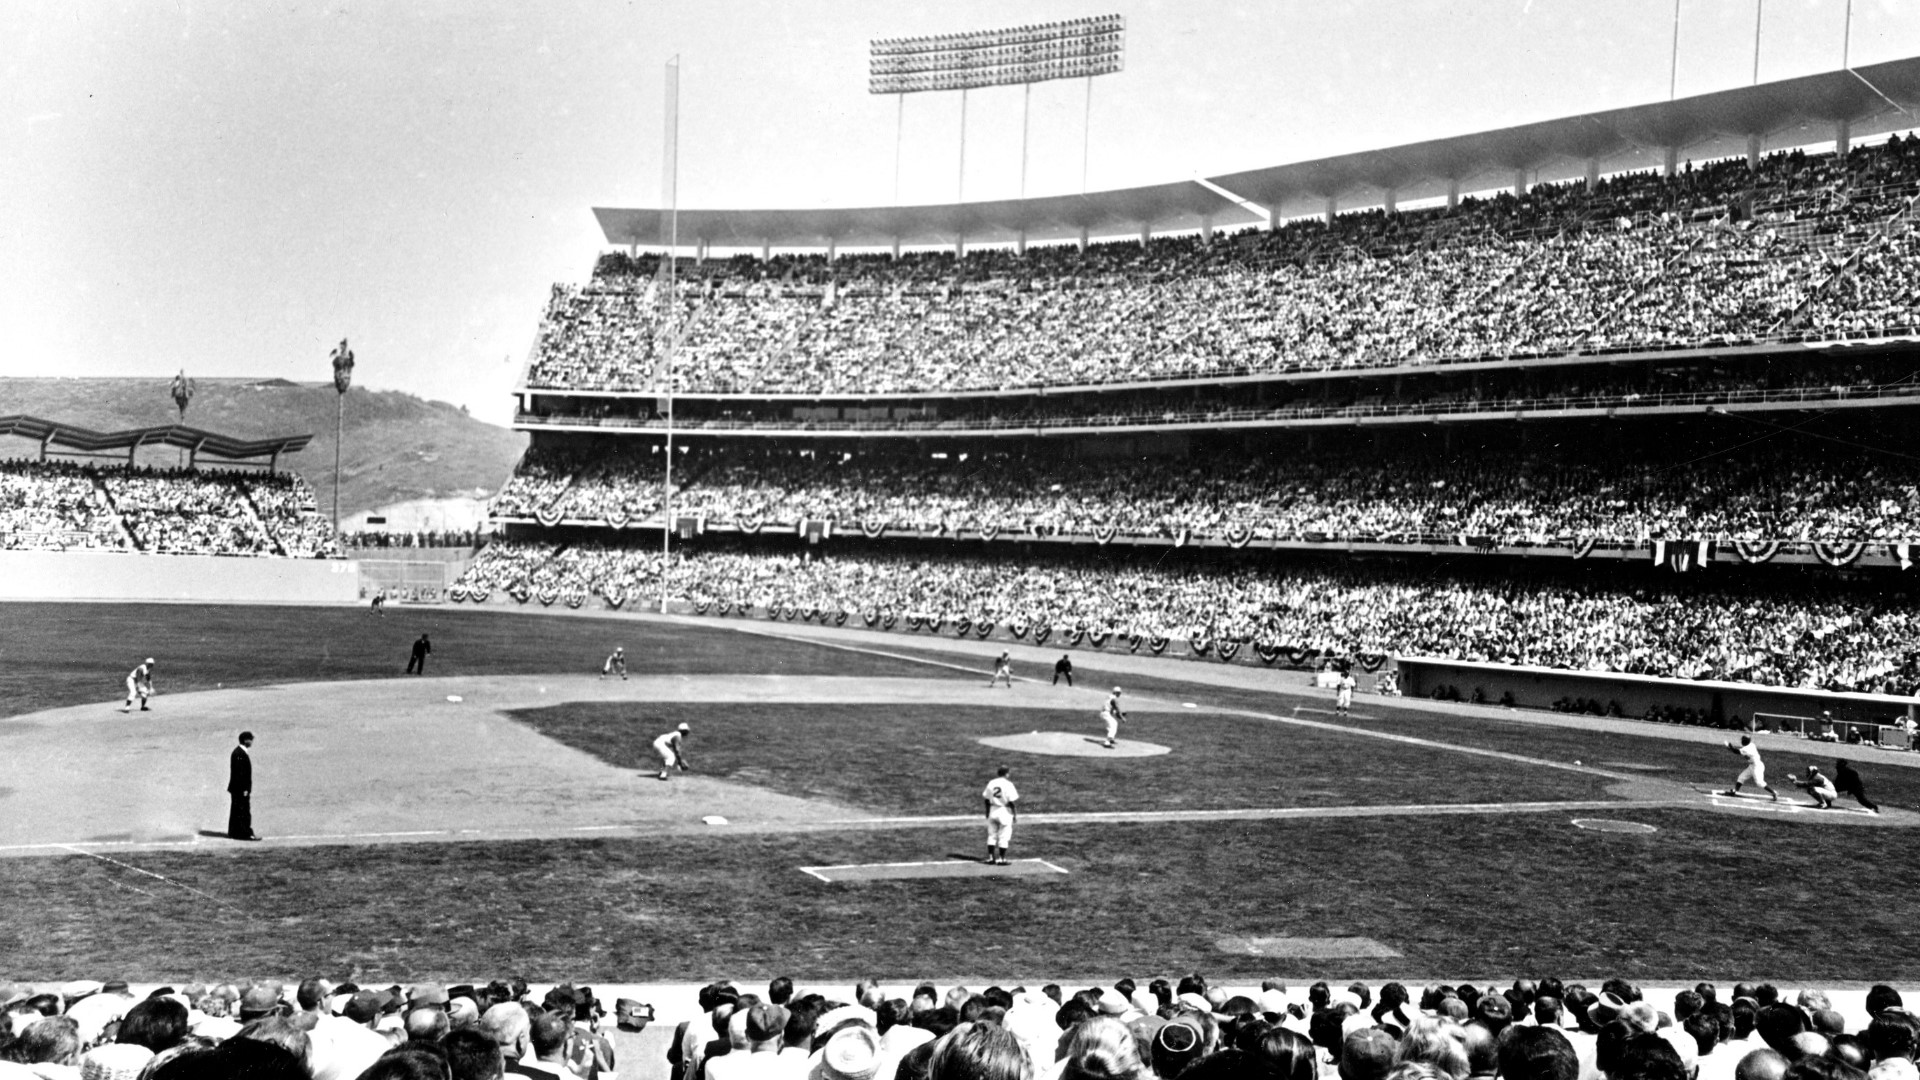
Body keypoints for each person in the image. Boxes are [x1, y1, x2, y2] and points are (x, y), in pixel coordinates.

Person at [981, 766, 1019, 865]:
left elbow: (986, 799)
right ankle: (1001, 859)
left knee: (991, 835)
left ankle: (990, 858)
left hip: (993, 810)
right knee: (1004, 836)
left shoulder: (991, 783)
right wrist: (1015, 814)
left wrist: (987, 812)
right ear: (1006, 774)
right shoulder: (1008, 784)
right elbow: (1011, 802)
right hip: (1004, 811)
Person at [1723, 735, 1778, 801]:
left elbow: (1736, 751)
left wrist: (1730, 746)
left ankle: (1774, 792)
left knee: (1759, 783)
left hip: (1757, 767)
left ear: (1744, 741)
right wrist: (1730, 748)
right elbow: (1737, 751)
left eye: (1742, 740)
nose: (1741, 741)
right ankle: (1735, 791)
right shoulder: (1750, 745)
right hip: (1752, 766)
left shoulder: (1747, 749)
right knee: (1741, 777)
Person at [228, 731, 260, 841]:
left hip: (236, 788)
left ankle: (234, 832)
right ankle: (245, 833)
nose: (252, 742)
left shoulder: (238, 752)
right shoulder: (240, 753)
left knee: (236, 811)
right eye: (251, 739)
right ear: (246, 740)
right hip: (240, 789)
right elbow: (240, 774)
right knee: (244, 811)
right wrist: (245, 789)